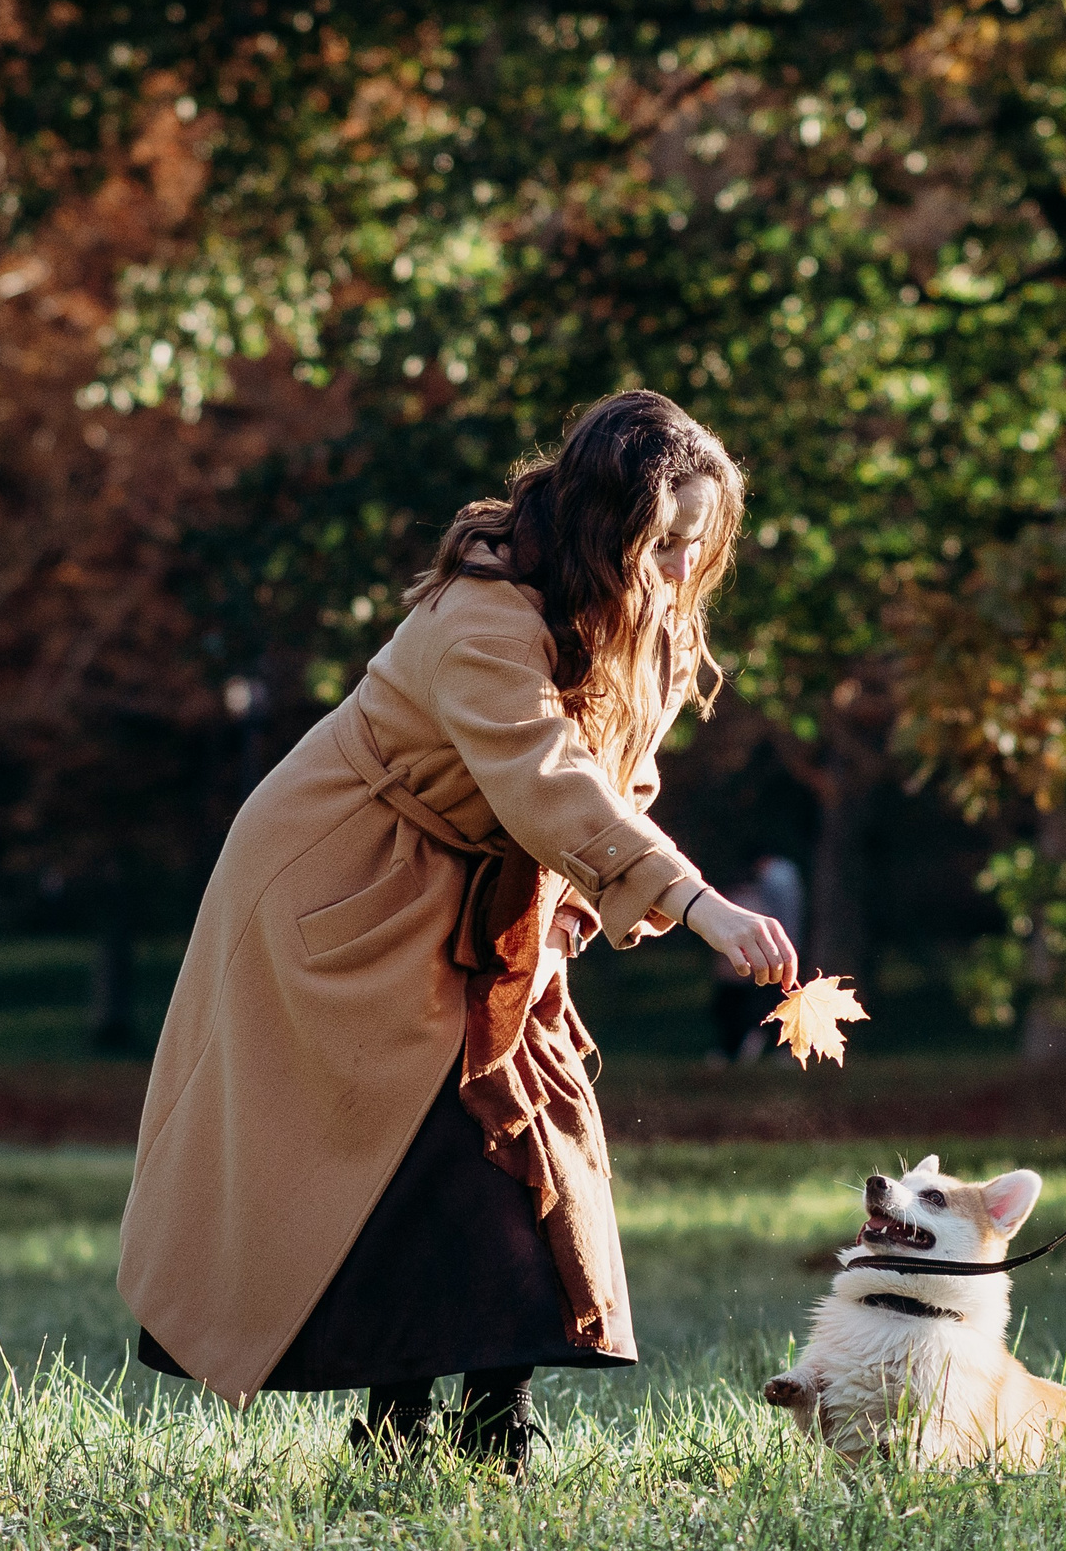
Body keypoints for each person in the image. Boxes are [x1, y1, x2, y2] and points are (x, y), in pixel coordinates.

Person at [118, 391, 800, 1472]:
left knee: (519, 1132)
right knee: (410, 1147)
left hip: (486, 900)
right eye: (660, 544)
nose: (679, 573)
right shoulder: (481, 617)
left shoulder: (647, 624)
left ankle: (496, 1416)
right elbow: (551, 783)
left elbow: (612, 780)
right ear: (603, 526)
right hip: (346, 887)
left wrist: (581, 903)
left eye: (697, 547)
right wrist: (697, 903)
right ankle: (399, 1425)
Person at [707, 853, 806, 1064]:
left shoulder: (754, 895)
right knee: (747, 1008)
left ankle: (749, 1048)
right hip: (754, 964)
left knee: (756, 1008)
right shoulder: (771, 886)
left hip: (753, 965)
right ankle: (749, 1048)